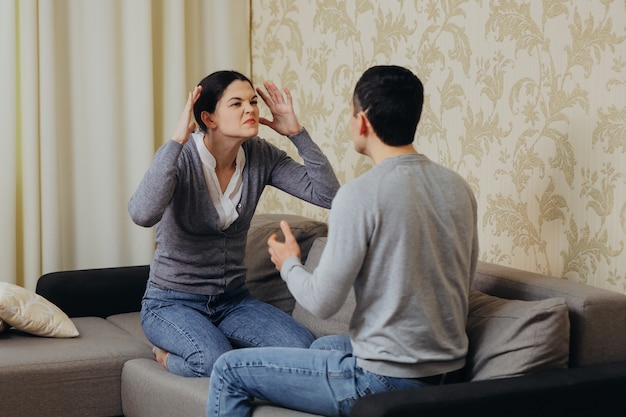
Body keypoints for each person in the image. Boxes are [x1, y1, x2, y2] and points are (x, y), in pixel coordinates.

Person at [206, 65, 479, 417]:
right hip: (448, 369)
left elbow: (322, 302)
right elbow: (465, 277)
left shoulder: (361, 194)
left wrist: (289, 263)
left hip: (383, 381)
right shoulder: (457, 186)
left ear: (362, 122)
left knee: (228, 369)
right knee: (323, 346)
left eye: (351, 113)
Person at [128, 70, 340, 378]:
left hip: (233, 301)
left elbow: (328, 194)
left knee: (303, 349)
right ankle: (165, 358)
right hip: (172, 303)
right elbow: (142, 214)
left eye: (253, 102)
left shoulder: (261, 156)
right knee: (214, 361)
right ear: (209, 118)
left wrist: (297, 133)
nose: (251, 109)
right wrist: (175, 142)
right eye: (236, 103)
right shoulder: (182, 158)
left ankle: (227, 345)